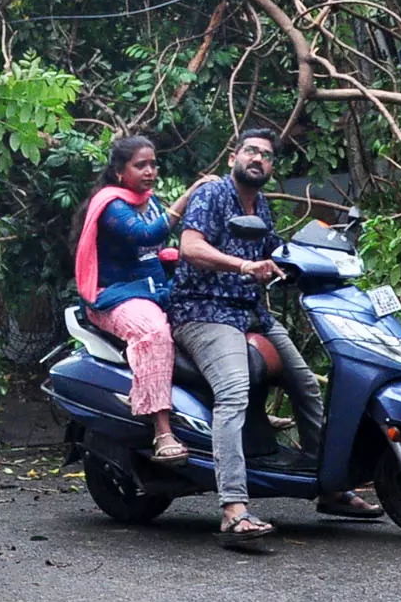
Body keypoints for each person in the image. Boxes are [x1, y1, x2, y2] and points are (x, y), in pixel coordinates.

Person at [171, 127, 381, 545]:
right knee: (233, 392)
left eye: (266, 155)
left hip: (249, 314)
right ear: (234, 156)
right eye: (250, 151)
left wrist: (324, 259)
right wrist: (244, 267)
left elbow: (277, 250)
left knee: (307, 385)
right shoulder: (212, 196)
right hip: (204, 311)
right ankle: (233, 509)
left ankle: (331, 486)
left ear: (271, 166)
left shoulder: (261, 204)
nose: (258, 159)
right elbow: (190, 247)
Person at [72, 135, 206, 463]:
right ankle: (162, 430)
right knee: (154, 333)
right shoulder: (112, 205)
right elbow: (146, 235)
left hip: (155, 291)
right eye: (140, 165)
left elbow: (159, 248)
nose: (150, 171)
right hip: (115, 297)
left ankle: (229, 416)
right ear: (120, 172)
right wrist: (189, 195)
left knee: (211, 317)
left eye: (153, 164)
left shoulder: (151, 201)